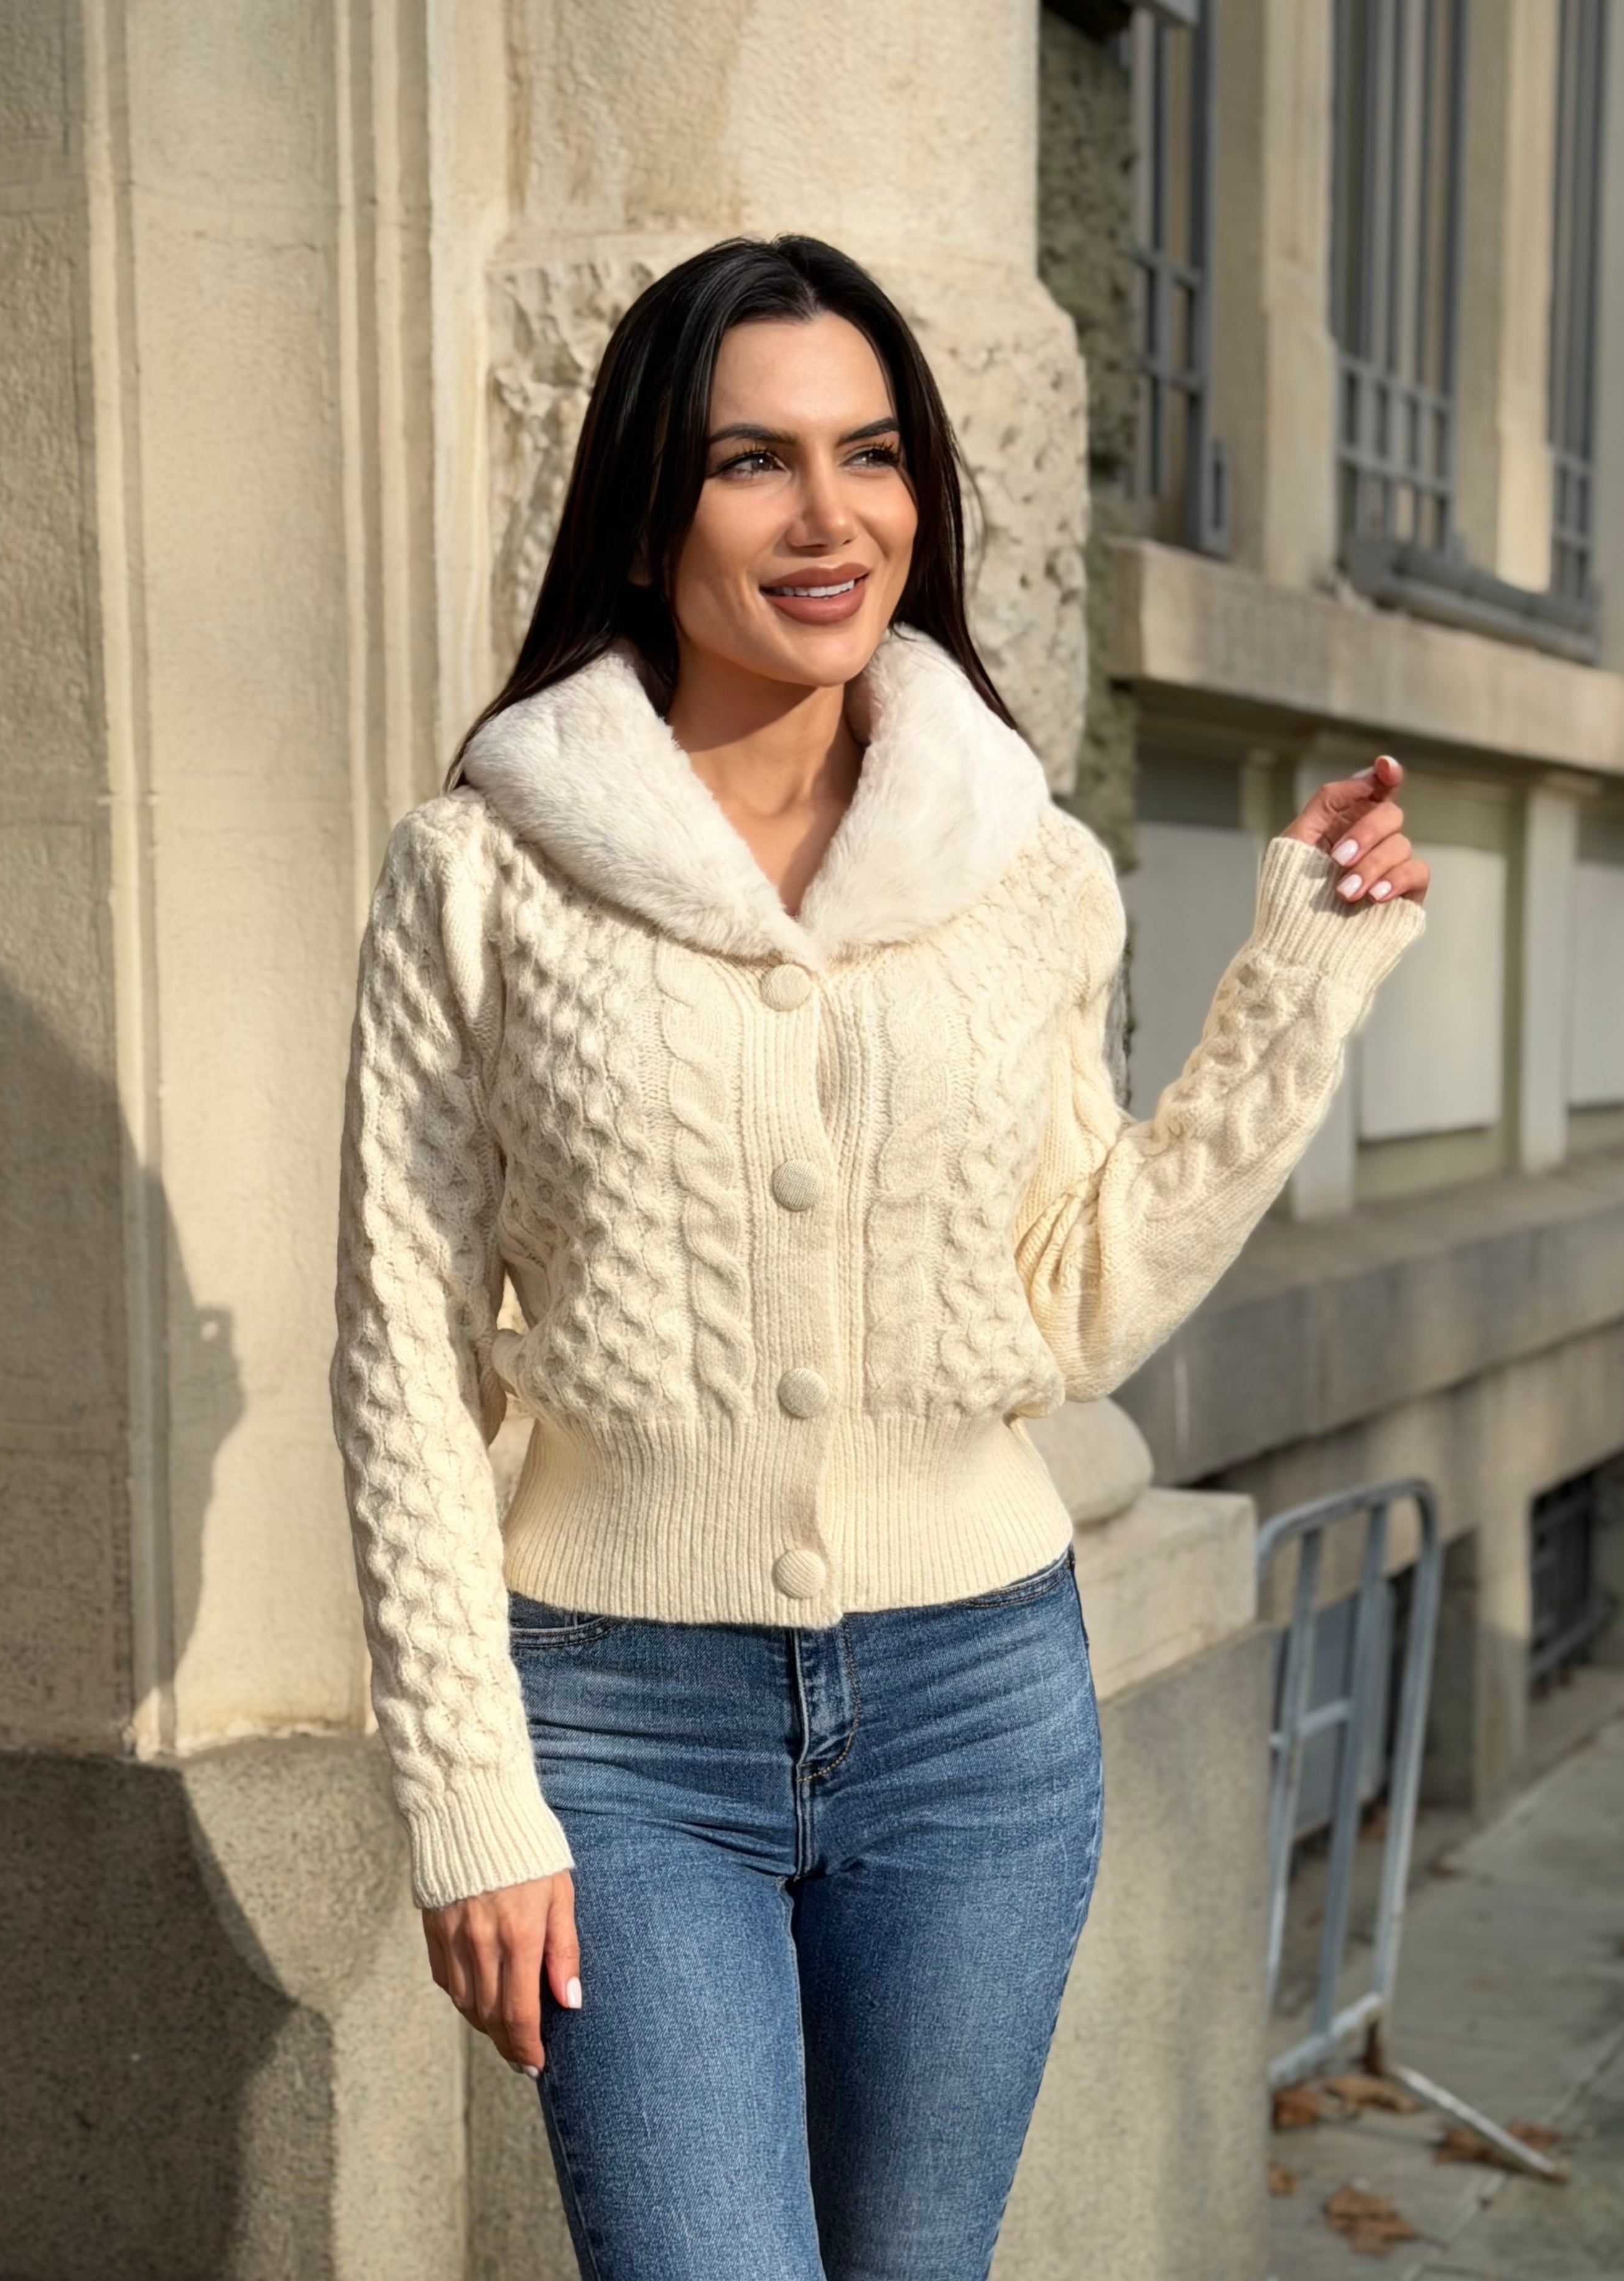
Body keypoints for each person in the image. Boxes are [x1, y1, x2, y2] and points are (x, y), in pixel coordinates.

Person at [328, 233, 1430, 2280]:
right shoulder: (479, 870)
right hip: (619, 1731)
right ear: (646, 508)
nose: (829, 518)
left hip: (973, 1714)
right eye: (753, 460)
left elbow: (1076, 1303)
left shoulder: (1026, 869)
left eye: (872, 455)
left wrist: (1300, 987)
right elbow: (402, 1349)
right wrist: (466, 1794)